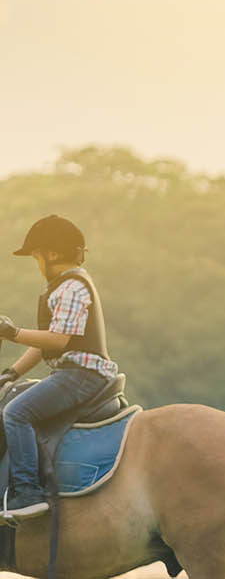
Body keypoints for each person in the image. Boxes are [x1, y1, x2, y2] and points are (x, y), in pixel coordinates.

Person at [0, 215, 119, 519]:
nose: (37, 263)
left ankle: (27, 493)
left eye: (36, 256)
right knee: (11, 396)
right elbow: (44, 345)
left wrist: (12, 333)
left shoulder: (70, 288)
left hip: (81, 375)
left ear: (51, 254)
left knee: (16, 413)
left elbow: (59, 340)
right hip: (71, 373)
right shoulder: (62, 287)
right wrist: (11, 374)